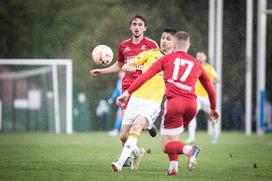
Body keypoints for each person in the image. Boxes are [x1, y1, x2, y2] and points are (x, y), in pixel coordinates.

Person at [117, 31, 219, 176]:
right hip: (191, 104)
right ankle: (173, 169)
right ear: (189, 45)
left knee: (167, 145)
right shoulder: (196, 63)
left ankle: (190, 150)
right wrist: (214, 108)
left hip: (175, 104)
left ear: (175, 44)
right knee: (174, 136)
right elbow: (210, 88)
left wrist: (126, 93)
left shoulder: (167, 59)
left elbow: (144, 77)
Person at [90, 15, 158, 165]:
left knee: (137, 125)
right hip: (127, 89)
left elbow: (158, 65)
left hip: (144, 89)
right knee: (123, 135)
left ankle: (128, 154)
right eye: (134, 24)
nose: (137, 27)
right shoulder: (123, 46)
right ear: (130, 27)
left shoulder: (152, 45)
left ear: (145, 28)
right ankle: (137, 151)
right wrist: (102, 71)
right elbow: (119, 65)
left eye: (140, 24)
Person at [111, 28, 176, 172]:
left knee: (136, 128)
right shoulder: (150, 54)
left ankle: (120, 163)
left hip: (152, 102)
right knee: (123, 136)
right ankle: (138, 152)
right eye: (163, 37)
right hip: (135, 98)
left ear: (174, 42)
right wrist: (128, 67)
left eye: (168, 39)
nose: (164, 41)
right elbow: (130, 63)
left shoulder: (175, 61)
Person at [185, 52, 219, 144]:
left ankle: (215, 135)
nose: (200, 57)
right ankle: (191, 137)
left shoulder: (209, 68)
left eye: (201, 56)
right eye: (198, 56)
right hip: (196, 97)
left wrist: (211, 81)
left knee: (212, 116)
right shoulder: (193, 66)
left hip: (207, 97)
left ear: (205, 57)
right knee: (192, 115)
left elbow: (217, 79)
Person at [108, 71, 125, 136]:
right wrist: (112, 98)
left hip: (128, 101)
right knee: (119, 115)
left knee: (125, 116)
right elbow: (117, 91)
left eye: (122, 73)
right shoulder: (118, 82)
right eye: (120, 74)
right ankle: (116, 130)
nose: (120, 75)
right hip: (122, 101)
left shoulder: (128, 80)